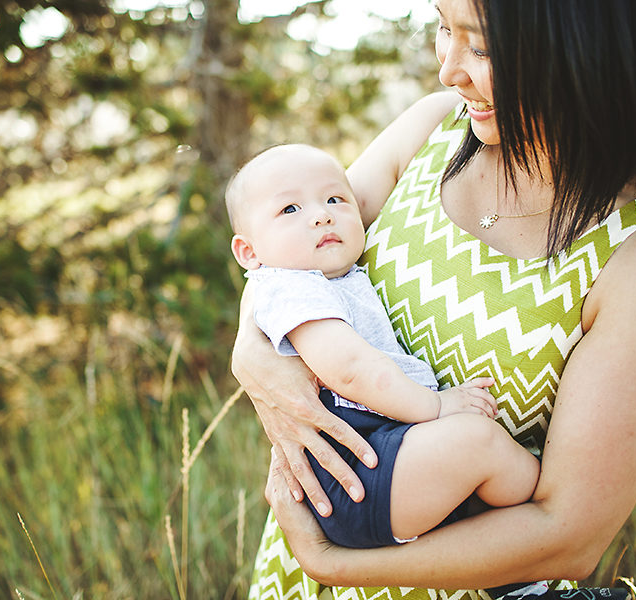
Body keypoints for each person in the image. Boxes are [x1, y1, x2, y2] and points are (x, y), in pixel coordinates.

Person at [231, 1, 636, 599]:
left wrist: (334, 565)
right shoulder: (433, 128)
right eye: (443, 28)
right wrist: (251, 357)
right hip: (301, 556)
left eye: (481, 48)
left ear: (587, 53)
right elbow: (284, 256)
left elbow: (569, 534)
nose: (448, 70)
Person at [226, 143, 541, 549]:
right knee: (479, 443)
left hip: (381, 457)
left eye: (335, 198)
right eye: (290, 210)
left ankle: (522, 582)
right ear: (249, 252)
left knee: (476, 471)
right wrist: (437, 407)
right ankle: (541, 499)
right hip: (356, 465)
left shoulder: (330, 277)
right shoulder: (291, 287)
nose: (322, 214)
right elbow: (351, 370)